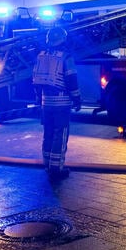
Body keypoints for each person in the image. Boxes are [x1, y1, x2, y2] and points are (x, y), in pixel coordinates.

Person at [32, 26, 81, 181]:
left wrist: (39, 99)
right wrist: (77, 98)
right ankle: (56, 168)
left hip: (46, 102)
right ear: (63, 39)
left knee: (48, 133)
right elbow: (71, 79)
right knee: (60, 133)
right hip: (62, 102)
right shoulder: (66, 57)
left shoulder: (41, 56)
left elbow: (35, 80)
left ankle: (47, 164)